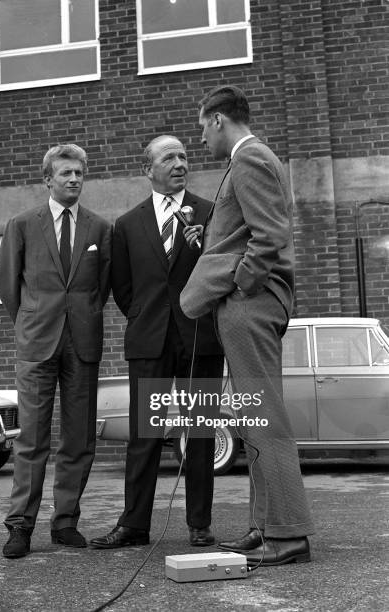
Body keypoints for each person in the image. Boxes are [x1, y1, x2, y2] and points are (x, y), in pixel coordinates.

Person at [180, 85, 315, 566]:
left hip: (250, 304)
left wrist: (240, 283)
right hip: (252, 303)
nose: (200, 139)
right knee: (255, 417)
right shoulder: (253, 159)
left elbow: (271, 235)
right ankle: (265, 527)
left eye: (201, 126)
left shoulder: (250, 158)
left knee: (266, 421)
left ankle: (288, 533)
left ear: (218, 120)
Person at [90, 136, 224, 550]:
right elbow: (124, 290)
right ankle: (134, 526)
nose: (180, 163)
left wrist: (201, 247)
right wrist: (149, 320)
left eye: (183, 156)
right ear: (148, 168)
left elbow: (221, 269)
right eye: (169, 158)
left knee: (200, 432)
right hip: (150, 342)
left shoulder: (211, 213)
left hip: (199, 339)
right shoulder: (127, 225)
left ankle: (199, 525)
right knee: (144, 435)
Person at [0, 144, 112, 559]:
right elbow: (9, 288)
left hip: (82, 343)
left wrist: (79, 316)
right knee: (31, 437)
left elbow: (103, 287)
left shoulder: (100, 229)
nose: (74, 179)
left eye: (80, 172)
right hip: (37, 343)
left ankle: (65, 521)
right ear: (48, 179)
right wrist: (32, 321)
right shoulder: (23, 224)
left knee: (79, 438)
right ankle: (20, 526)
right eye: (65, 173)